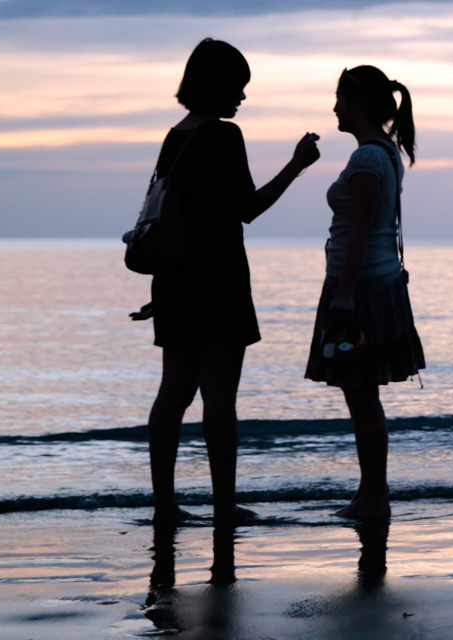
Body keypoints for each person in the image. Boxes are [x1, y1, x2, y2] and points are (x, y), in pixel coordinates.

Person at [145, 38, 320, 524]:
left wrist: (161, 286)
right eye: (238, 87)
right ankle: (224, 508)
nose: (241, 97)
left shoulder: (175, 136)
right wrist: (296, 166)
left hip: (174, 280)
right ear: (217, 85)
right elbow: (248, 209)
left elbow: (168, 216)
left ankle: (165, 506)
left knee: (173, 394)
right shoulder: (224, 136)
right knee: (219, 397)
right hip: (217, 279)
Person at [307, 64, 425, 519]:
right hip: (370, 283)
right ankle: (370, 492)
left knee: (361, 394)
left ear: (356, 103)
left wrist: (344, 296)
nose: (334, 107)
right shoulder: (381, 153)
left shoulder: (369, 158)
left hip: (361, 289)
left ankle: (374, 495)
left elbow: (358, 233)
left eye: (339, 99)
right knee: (362, 393)